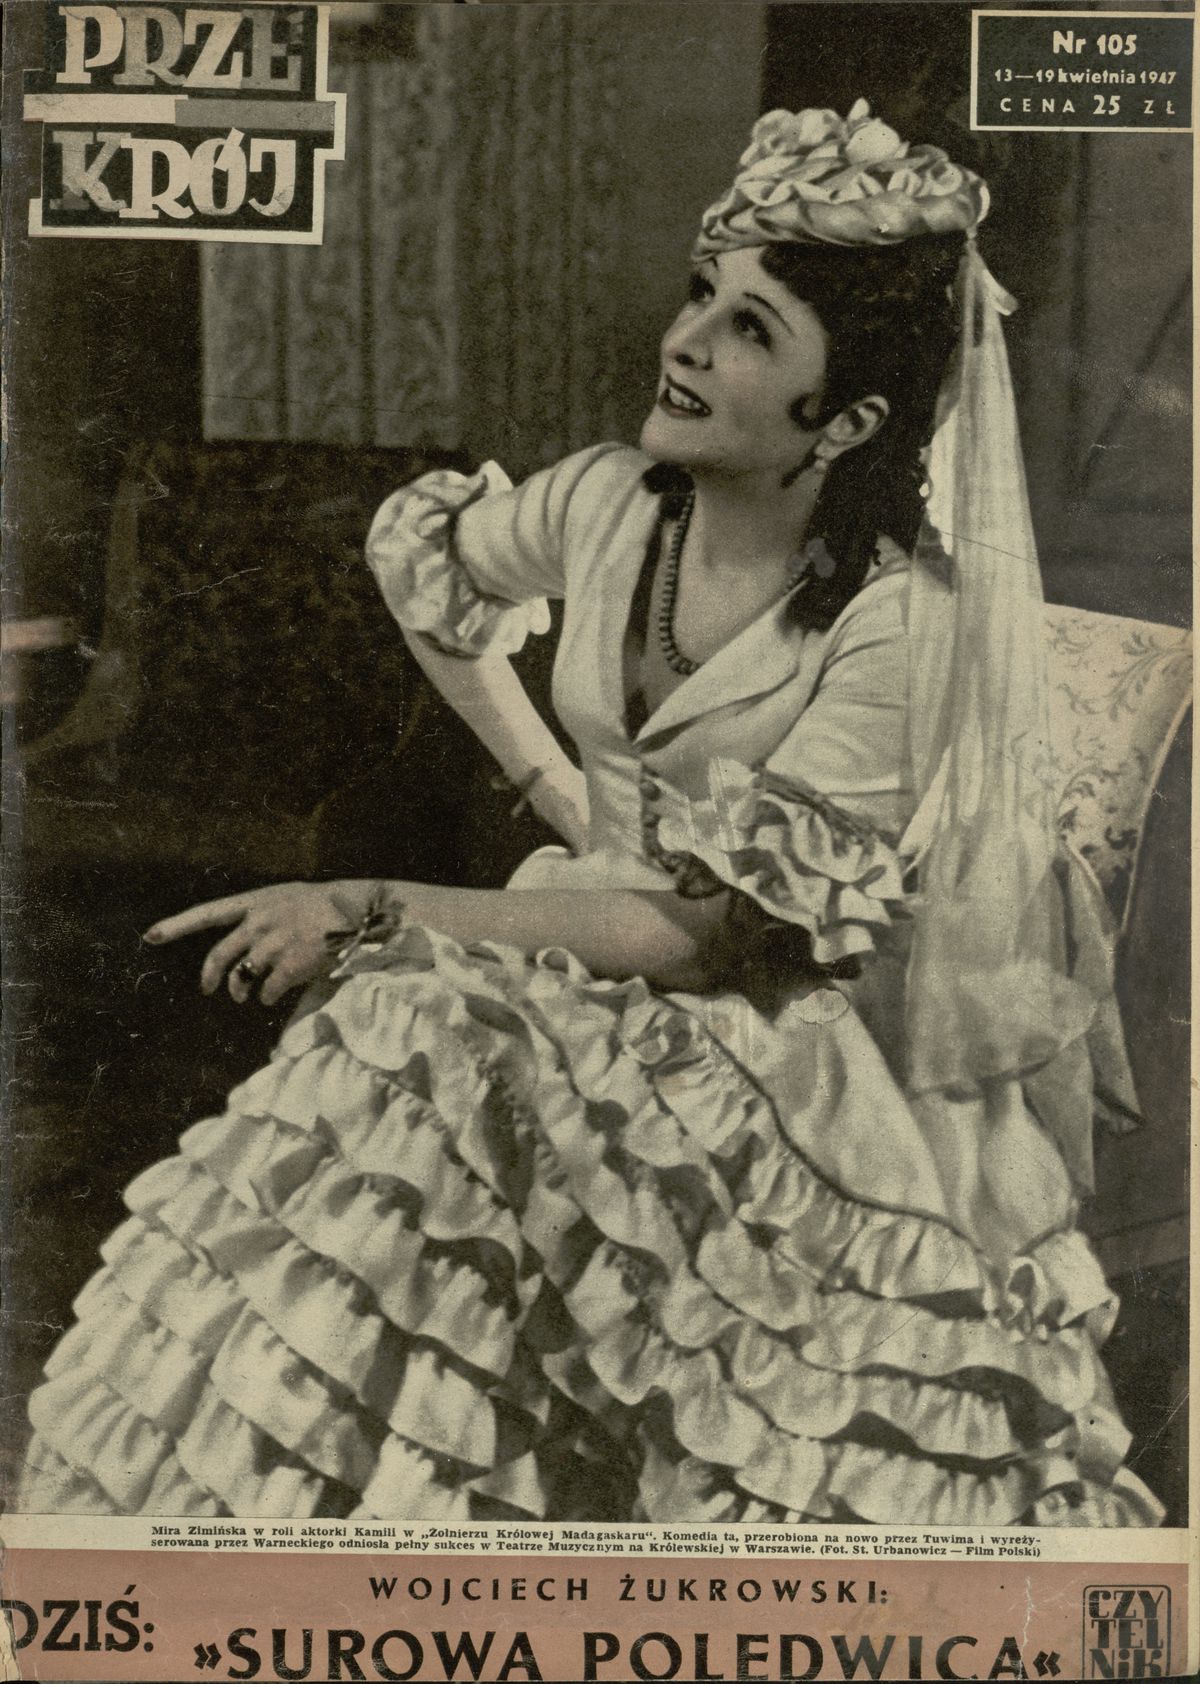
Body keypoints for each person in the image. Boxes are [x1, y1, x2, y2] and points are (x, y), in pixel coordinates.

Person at [20, 102, 1162, 1527]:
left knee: (419, 1026)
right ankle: (290, 1510)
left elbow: (706, 936)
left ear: (850, 419)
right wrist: (550, 786)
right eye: (702, 293)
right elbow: (427, 567)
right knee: (415, 1042)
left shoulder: (900, 625)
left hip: (776, 1029)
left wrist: (366, 902)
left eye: (751, 328)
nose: (685, 341)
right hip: (593, 937)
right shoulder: (610, 503)